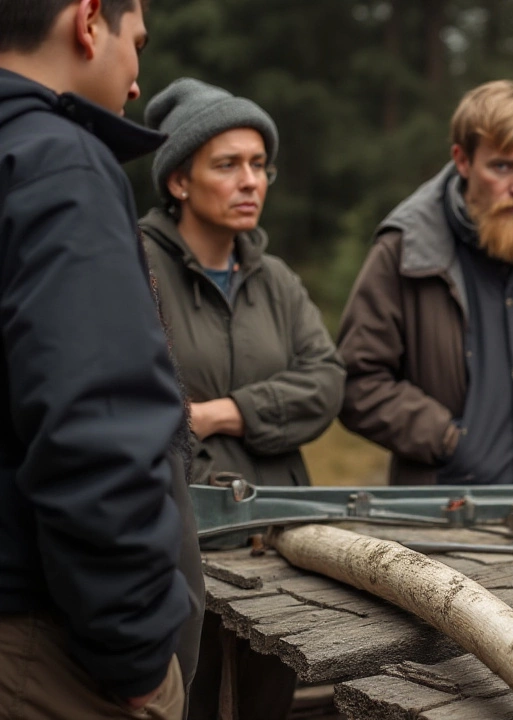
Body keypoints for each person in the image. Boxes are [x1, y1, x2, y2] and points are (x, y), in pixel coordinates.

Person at [0, 0, 191, 717]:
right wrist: (138, 658)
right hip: (42, 650)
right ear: (88, 21)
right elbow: (94, 432)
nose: (138, 80)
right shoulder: (57, 162)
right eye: (136, 42)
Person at [138, 77, 345, 720]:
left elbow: (326, 382)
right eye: (227, 164)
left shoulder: (275, 278)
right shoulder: (134, 264)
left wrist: (220, 412)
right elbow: (144, 406)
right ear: (178, 180)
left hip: (283, 545)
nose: (250, 180)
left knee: (269, 704)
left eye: (259, 165)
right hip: (181, 546)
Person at [338, 80, 513, 486]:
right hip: (447, 511)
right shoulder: (407, 251)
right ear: (462, 161)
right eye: (502, 166)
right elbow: (358, 381)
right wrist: (450, 440)